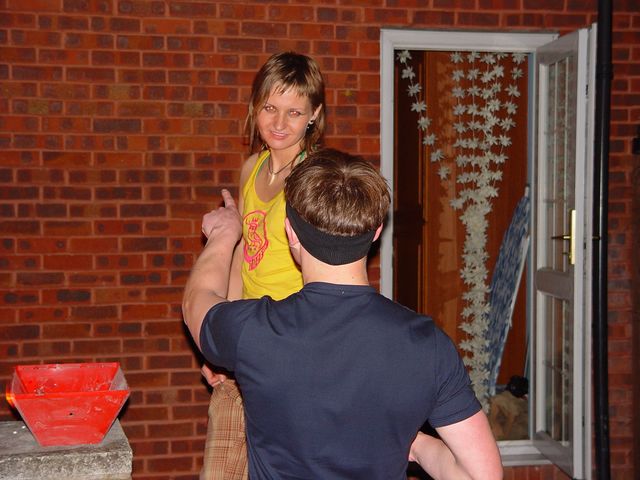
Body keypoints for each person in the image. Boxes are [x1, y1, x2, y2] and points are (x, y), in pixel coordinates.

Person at [184, 148, 503, 479]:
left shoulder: (254, 331)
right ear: (377, 231)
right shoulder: (427, 345)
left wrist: (224, 234)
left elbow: (196, 301)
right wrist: (418, 445)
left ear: (290, 233)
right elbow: (482, 475)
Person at [199, 51, 326, 480]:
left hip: (294, 347)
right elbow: (242, 256)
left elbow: (326, 270)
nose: (279, 123)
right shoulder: (252, 168)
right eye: (270, 107)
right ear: (255, 106)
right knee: (222, 470)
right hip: (248, 336)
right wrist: (221, 339)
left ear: (314, 115)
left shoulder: (314, 177)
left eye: (295, 112)